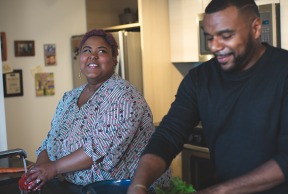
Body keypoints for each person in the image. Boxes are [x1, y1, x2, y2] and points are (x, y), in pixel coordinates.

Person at [128, 0, 288, 193]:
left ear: (255, 28)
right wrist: (138, 184)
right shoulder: (199, 79)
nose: (215, 46)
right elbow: (168, 135)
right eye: (209, 37)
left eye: (226, 36)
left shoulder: (283, 71)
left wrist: (218, 191)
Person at [24, 29, 171, 192]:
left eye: (101, 51)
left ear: (114, 60)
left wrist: (52, 168)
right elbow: (51, 140)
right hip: (80, 188)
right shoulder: (69, 98)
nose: (92, 56)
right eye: (87, 51)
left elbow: (96, 150)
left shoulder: (124, 96)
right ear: (80, 58)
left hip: (128, 190)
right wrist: (39, 170)